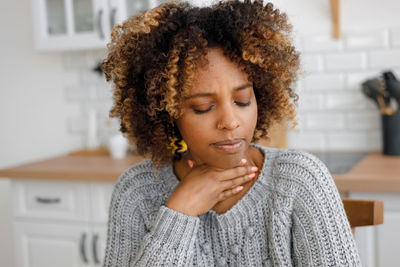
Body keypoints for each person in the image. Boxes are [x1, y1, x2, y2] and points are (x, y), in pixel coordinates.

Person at [101, 0, 361, 266]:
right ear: (167, 112)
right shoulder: (137, 192)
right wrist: (181, 210)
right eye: (203, 107)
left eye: (242, 100)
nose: (230, 122)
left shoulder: (300, 181)